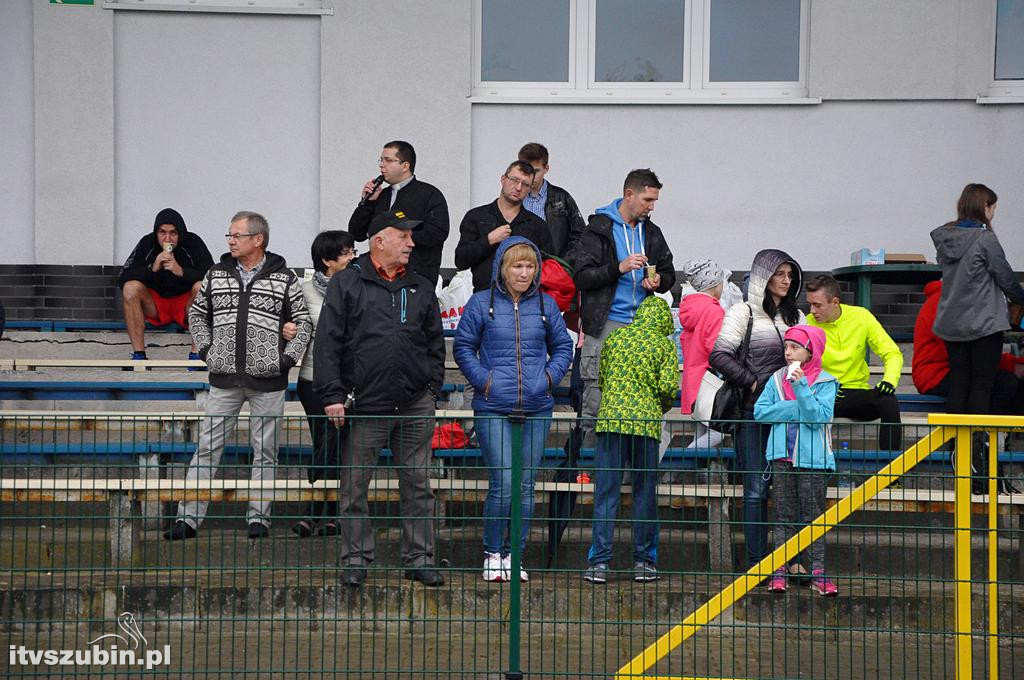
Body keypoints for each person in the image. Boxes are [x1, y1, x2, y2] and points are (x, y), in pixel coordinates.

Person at [314, 209, 446, 588]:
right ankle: (355, 559)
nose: (411, 242)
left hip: (414, 403)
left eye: (411, 236)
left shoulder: (421, 285)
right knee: (354, 487)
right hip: (363, 405)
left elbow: (434, 343)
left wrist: (432, 389)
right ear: (378, 241)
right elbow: (328, 342)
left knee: (419, 486)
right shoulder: (347, 282)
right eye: (403, 235)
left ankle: (420, 558)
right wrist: (334, 394)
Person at [164, 211, 312, 541]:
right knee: (206, 448)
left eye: (236, 235)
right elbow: (198, 315)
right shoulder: (216, 274)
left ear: (257, 240)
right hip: (224, 378)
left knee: (266, 451)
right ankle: (187, 518)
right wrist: (207, 352)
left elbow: (303, 323)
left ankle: (259, 519)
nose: (230, 240)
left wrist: (285, 360)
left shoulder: (285, 278)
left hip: (269, 381)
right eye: (229, 235)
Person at [453, 236, 573, 583]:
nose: (524, 273)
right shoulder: (479, 304)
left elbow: (563, 346)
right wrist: (484, 380)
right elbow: (463, 347)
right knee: (503, 481)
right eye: (517, 266)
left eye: (529, 266)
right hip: (493, 405)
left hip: (537, 405)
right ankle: (492, 552)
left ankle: (514, 555)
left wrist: (548, 378)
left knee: (525, 485)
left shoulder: (547, 305)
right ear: (502, 268)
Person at [709, 249, 805, 570]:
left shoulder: (797, 317)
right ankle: (755, 564)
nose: (786, 281)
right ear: (764, 276)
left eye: (790, 275)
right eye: (779, 274)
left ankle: (789, 563)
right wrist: (751, 382)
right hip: (751, 414)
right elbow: (720, 355)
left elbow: (811, 355)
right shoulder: (743, 312)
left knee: (789, 491)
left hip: (788, 414)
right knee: (755, 489)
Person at [573, 169, 676, 452]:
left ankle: (631, 475)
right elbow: (581, 276)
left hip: (644, 328)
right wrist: (617, 268)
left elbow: (669, 273)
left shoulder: (652, 232)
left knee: (645, 404)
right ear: (629, 195)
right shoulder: (598, 229)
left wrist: (659, 281)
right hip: (606, 323)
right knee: (596, 401)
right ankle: (588, 473)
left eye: (654, 200)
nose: (651, 206)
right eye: (647, 199)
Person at [931, 183, 1024, 492]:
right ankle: (975, 451)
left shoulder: (946, 238)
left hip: (951, 323)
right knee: (982, 384)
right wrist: (1020, 299)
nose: (994, 212)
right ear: (984, 207)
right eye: (992, 207)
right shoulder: (985, 239)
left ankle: (955, 448)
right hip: (984, 323)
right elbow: (1006, 277)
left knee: (960, 380)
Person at [582, 295, 678, 584]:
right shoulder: (664, 345)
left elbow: (603, 377)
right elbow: (669, 388)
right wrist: (654, 406)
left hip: (610, 422)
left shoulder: (616, 338)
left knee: (606, 493)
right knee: (644, 492)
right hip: (645, 426)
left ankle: (599, 563)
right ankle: (644, 561)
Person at [754, 325, 839, 596]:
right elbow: (760, 413)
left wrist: (801, 387)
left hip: (813, 460)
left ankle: (817, 572)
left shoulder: (826, 381)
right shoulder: (776, 379)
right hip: (781, 458)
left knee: (814, 517)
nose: (788, 353)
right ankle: (779, 571)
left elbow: (818, 418)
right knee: (783, 516)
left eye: (795, 348)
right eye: (786, 347)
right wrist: (796, 408)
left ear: (810, 351)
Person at [292, 230, 358, 538]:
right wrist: (287, 329)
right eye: (345, 253)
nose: (352, 257)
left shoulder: (358, 286)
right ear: (327, 260)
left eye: (352, 251)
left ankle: (322, 511)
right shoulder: (304, 289)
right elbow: (292, 321)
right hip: (312, 378)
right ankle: (323, 510)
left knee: (338, 444)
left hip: (348, 382)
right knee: (323, 441)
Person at [805, 274, 904, 451]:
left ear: (835, 302)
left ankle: (891, 473)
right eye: (810, 304)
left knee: (888, 401)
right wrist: (823, 387)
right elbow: (797, 363)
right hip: (823, 396)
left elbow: (892, 352)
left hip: (855, 393)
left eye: (817, 305)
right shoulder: (806, 323)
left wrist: (889, 380)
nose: (812, 310)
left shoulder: (861, 317)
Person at [348, 140, 449, 287]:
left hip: (416, 277)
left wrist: (401, 236)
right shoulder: (381, 195)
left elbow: (438, 233)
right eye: (381, 160)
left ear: (405, 166)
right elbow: (356, 233)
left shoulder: (429, 194)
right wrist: (367, 203)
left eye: (388, 160)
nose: (382, 165)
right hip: (378, 277)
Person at [118, 208, 213, 361]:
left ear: (180, 233)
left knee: (201, 285)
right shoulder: (147, 243)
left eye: (173, 233)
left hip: (186, 306)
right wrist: (152, 268)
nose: (167, 238)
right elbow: (123, 277)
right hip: (156, 306)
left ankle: (196, 355)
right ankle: (139, 355)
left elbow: (212, 277)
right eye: (162, 232)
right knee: (130, 287)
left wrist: (181, 271)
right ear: (156, 232)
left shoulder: (193, 242)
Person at [913, 280, 1023, 413]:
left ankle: (997, 431)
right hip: (936, 375)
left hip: (950, 371)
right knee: (1004, 382)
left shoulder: (954, 300)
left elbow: (980, 353)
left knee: (1012, 384)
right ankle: (981, 430)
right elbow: (964, 354)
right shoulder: (944, 303)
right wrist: (1012, 366)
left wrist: (1014, 364)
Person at [454, 160, 554, 293]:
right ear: (503, 179)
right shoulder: (477, 217)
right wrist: (488, 240)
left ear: (530, 189)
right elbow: (461, 260)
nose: (518, 188)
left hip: (525, 300)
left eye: (525, 184)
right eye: (514, 180)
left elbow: (548, 266)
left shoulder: (536, 224)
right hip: (485, 298)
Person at [678, 258, 727, 451]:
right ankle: (676, 464)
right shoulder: (714, 311)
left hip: (694, 379)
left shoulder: (690, 308)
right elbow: (716, 348)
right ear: (714, 284)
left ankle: (695, 477)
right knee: (719, 430)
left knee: (701, 429)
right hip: (710, 378)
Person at [517, 142, 586, 261]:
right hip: (521, 267)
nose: (531, 176)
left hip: (554, 269)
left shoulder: (562, 197)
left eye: (536, 171)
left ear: (546, 168)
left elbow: (580, 234)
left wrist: (563, 262)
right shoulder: (514, 197)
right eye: (527, 171)